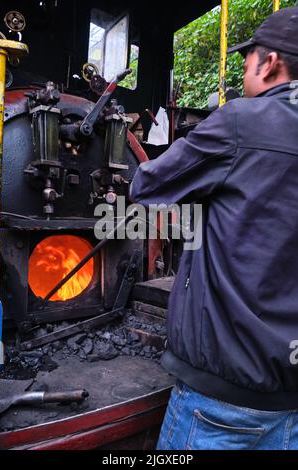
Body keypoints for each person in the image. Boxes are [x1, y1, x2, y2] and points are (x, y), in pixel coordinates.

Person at [130, 7, 298, 450]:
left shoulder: (243, 121)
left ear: (271, 62)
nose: (245, 69)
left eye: (248, 59)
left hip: (221, 402)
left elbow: (148, 186)